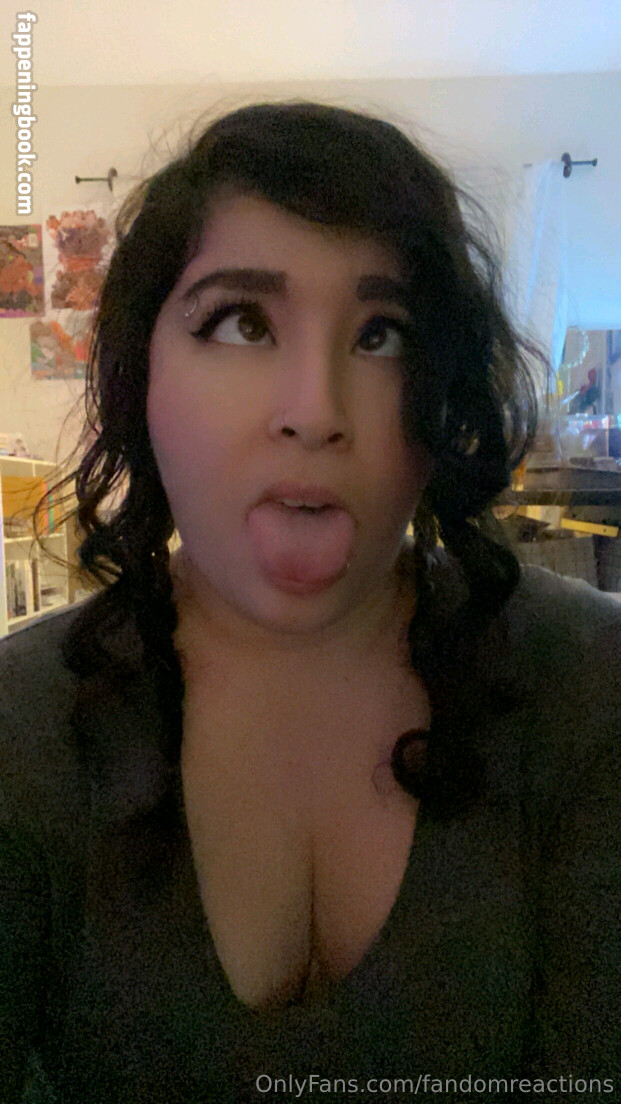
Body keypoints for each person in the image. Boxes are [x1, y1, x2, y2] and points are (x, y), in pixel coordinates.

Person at [1, 100, 619, 1104]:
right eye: (242, 322)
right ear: (139, 377)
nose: (315, 412)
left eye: (382, 335)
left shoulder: (592, 691)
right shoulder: (19, 728)